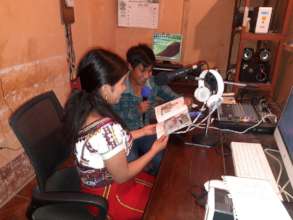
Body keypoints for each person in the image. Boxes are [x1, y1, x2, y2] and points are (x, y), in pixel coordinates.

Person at [62, 48, 169, 219]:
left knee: (160, 189)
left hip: (97, 185)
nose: (123, 88)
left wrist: (142, 132)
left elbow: (110, 144)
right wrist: (154, 151)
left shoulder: (85, 109)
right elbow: (122, 175)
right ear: (105, 89)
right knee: (160, 207)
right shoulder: (106, 129)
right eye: (121, 83)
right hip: (107, 197)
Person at [112, 44, 192, 174]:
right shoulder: (119, 85)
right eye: (142, 70)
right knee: (130, 163)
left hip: (147, 131)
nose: (147, 76)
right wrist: (136, 110)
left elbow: (171, 96)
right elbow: (111, 116)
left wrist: (184, 100)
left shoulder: (152, 83)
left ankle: (153, 182)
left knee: (161, 158)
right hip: (126, 135)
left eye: (149, 71)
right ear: (130, 66)